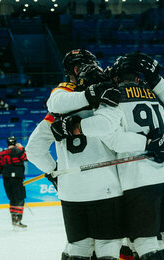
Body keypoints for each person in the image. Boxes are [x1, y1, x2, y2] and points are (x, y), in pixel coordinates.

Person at [60, 53, 164, 260]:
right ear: (138, 77)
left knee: (144, 243)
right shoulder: (156, 98)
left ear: (115, 78)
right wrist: (159, 141)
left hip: (139, 182)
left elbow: (113, 139)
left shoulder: (113, 97)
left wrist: (76, 127)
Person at [46, 49, 124, 260]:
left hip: (71, 188)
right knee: (108, 247)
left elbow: (53, 105)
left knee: (78, 248)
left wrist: (54, 171)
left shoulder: (63, 97)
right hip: (105, 185)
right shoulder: (108, 94)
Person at [0, 136, 28, 229]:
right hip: (17, 178)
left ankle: (14, 220)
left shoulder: (1, 154)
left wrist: (3, 170)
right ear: (15, 143)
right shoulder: (18, 151)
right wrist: (22, 148)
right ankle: (18, 220)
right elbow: (26, 158)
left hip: (6, 179)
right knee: (19, 199)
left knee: (12, 199)